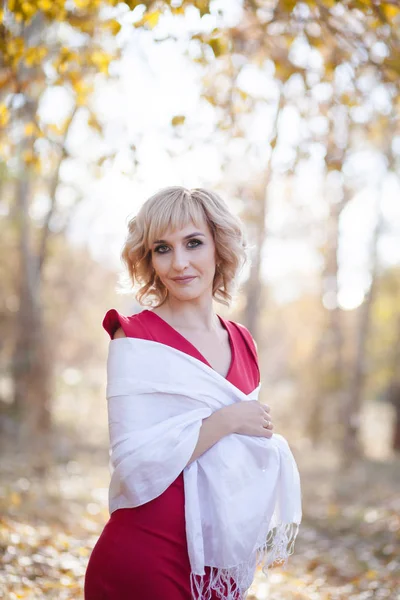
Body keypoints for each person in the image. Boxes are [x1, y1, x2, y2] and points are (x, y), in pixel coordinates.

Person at [84, 186, 301, 600]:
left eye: (193, 243)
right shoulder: (133, 336)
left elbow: (237, 462)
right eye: (162, 249)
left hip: (217, 566)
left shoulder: (243, 341)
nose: (179, 263)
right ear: (148, 259)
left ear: (219, 248)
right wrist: (228, 420)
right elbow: (133, 465)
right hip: (145, 556)